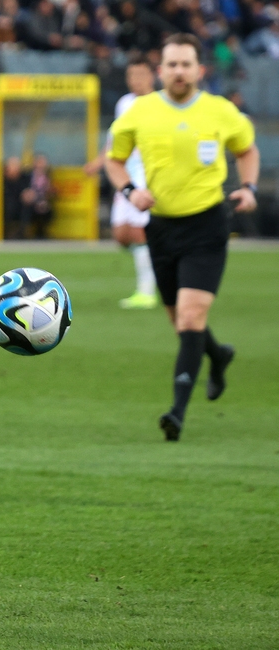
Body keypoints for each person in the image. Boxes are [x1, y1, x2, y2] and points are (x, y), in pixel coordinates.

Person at [105, 33, 258, 441]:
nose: (178, 71)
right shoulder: (140, 113)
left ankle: (176, 413)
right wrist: (129, 191)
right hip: (161, 228)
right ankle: (218, 354)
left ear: (199, 69)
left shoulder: (221, 112)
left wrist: (249, 187)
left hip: (208, 225)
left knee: (191, 317)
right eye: (171, 64)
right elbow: (113, 160)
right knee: (181, 323)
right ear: (160, 70)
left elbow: (247, 150)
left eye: (186, 64)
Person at [86, 54, 158, 309]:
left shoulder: (159, 104)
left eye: (140, 75)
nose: (135, 80)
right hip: (123, 175)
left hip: (146, 176)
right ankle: (156, 259)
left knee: (138, 232)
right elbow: (115, 141)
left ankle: (146, 292)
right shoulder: (124, 103)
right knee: (121, 234)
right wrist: (98, 162)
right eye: (131, 75)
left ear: (152, 76)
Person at [21, 154, 55, 239]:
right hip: (30, 202)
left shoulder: (47, 176)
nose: (41, 165)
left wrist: (50, 193)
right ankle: (23, 233)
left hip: (43, 201)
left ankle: (41, 233)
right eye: (39, 162)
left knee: (45, 208)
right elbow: (24, 191)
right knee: (27, 208)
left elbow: (49, 192)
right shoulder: (28, 176)